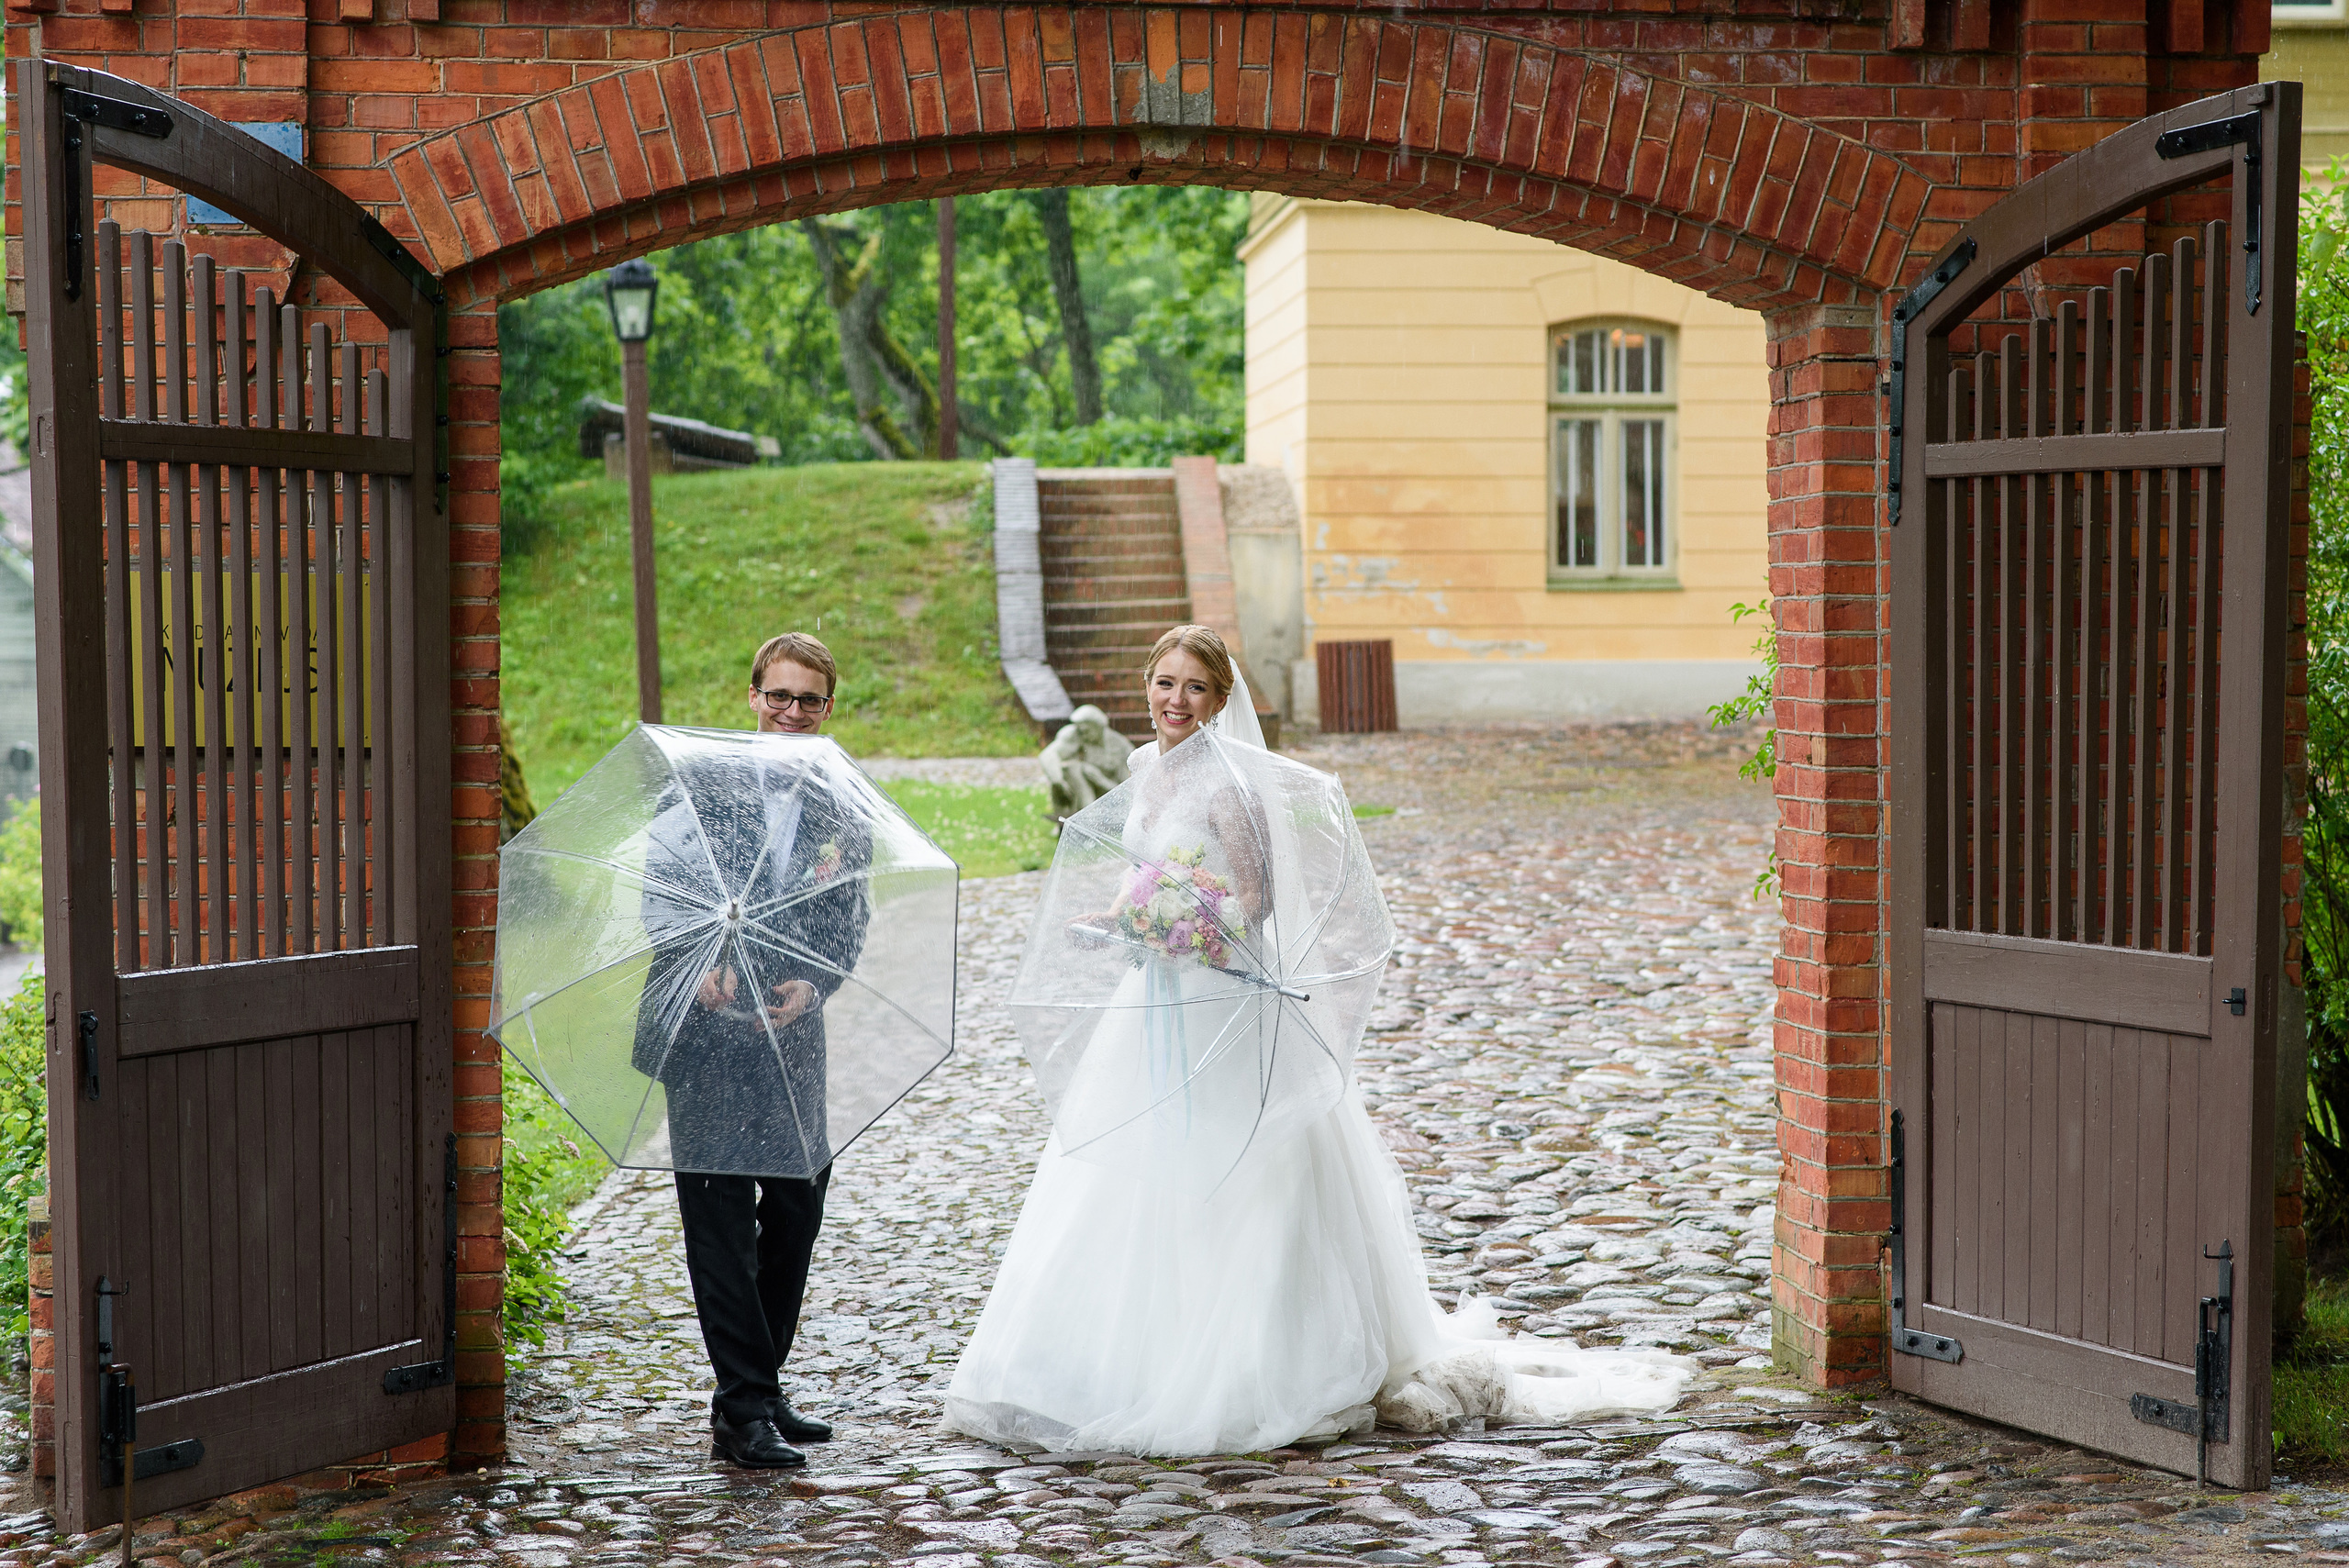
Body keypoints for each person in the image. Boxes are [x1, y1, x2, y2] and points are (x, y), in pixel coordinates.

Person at [943, 624, 1691, 1455]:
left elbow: (1256, 898)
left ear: (1220, 700)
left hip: (1221, 1000)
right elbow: (1144, 876)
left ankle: (1258, 1358)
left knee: (1243, 1170)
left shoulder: (1231, 785)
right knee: (1135, 1167)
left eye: (1194, 687)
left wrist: (1187, 924)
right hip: (1154, 1000)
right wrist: (1122, 916)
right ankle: (1119, 1358)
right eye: (1163, 683)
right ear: (1145, 686)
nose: (1174, 701)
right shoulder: (1143, 770)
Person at [632, 631, 871, 1470]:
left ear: (827, 709)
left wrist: (819, 985)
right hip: (703, 1028)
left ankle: (759, 1383)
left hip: (791, 1029)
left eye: (809, 700)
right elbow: (659, 887)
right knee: (722, 1214)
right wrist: (696, 965)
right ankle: (742, 1407)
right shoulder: (700, 779)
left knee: (799, 1199)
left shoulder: (845, 801)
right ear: (753, 694)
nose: (792, 712)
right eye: (779, 695)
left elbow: (851, 916)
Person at [1038, 704, 1131, 817]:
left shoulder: (1120, 746)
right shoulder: (1077, 735)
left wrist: (1098, 779)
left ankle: (1089, 817)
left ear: (1097, 727)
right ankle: (1084, 815)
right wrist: (1057, 780)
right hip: (1083, 794)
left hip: (1112, 796)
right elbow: (1048, 754)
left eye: (1086, 731)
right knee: (1072, 769)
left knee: (1081, 769)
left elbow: (1128, 790)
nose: (1083, 735)